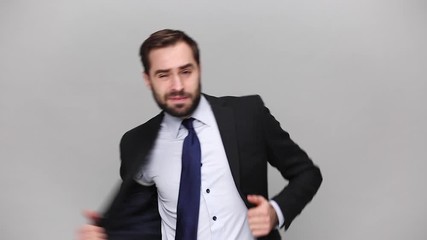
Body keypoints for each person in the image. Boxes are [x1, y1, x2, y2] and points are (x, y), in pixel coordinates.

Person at [77, 29, 322, 240]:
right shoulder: (135, 143)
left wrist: (275, 212)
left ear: (199, 69)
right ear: (148, 80)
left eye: (186, 71)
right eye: (163, 75)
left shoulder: (248, 115)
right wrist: (107, 235)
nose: (177, 86)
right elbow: (142, 223)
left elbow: (307, 173)